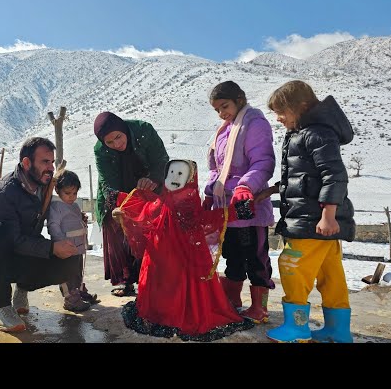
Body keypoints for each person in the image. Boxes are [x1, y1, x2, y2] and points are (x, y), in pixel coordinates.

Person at [257, 80, 355, 343]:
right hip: (315, 220)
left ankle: (297, 328)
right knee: (329, 274)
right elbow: (305, 178)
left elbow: (334, 176)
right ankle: (338, 330)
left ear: (300, 107)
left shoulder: (316, 134)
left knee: (291, 266)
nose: (278, 119)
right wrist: (273, 190)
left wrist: (328, 214)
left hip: (313, 222)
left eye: (281, 112)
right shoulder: (306, 133)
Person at [114, 159, 254, 341]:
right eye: (171, 173)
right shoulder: (162, 200)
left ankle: (177, 314)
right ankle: (163, 312)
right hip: (159, 259)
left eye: (180, 174)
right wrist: (123, 206)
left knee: (183, 288)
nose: (174, 177)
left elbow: (205, 219)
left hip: (187, 258)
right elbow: (147, 211)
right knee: (162, 285)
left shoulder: (190, 203)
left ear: (190, 179)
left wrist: (234, 212)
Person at [0, 137, 84, 333]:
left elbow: (50, 219)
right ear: (27, 163)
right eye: (45, 162)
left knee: (71, 258)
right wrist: (50, 248)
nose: (50, 167)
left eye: (52, 162)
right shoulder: (3, 193)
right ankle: (0, 306)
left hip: (22, 252)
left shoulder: (44, 186)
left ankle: (22, 289)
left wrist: (75, 222)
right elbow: (11, 239)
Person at [203, 81, 276, 323]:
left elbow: (263, 161)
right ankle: (233, 300)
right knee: (231, 256)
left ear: (240, 99)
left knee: (256, 258)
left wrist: (246, 185)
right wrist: (210, 192)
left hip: (248, 205)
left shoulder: (254, 124)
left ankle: (260, 308)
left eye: (225, 106)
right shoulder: (224, 131)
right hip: (226, 208)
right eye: (217, 110)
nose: (222, 113)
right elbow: (216, 168)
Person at [93, 111, 169, 297]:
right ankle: (125, 280)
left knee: (153, 231)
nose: (117, 144)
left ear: (123, 128)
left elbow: (161, 160)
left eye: (118, 137)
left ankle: (152, 277)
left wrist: (152, 179)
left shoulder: (144, 130)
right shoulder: (100, 150)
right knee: (118, 227)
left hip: (151, 189)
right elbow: (108, 181)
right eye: (110, 142)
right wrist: (118, 205)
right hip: (119, 192)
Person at [48, 170, 98, 311]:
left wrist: (81, 220)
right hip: (66, 248)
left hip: (77, 247)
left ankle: (80, 291)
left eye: (74, 193)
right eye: (67, 193)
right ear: (57, 190)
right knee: (66, 274)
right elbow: (53, 226)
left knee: (77, 271)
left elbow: (75, 221)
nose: (71, 197)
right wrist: (60, 243)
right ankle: (71, 299)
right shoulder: (56, 207)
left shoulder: (74, 206)